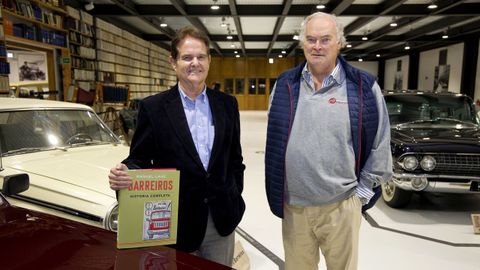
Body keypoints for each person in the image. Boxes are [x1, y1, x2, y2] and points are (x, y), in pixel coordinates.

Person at [108, 26, 246, 267]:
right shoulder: (154, 108)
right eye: (187, 57)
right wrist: (125, 173)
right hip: (176, 222)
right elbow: (139, 158)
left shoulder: (227, 104)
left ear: (209, 60)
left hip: (220, 218)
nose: (195, 63)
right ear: (173, 62)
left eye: (201, 56)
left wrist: (234, 195)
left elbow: (235, 159)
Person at [265, 12, 393, 270]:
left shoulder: (362, 86)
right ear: (303, 43)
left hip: (341, 206)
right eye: (311, 39)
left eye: (325, 39)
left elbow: (380, 143)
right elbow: (276, 141)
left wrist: (360, 196)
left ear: (340, 43)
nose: (317, 46)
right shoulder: (285, 85)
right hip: (295, 208)